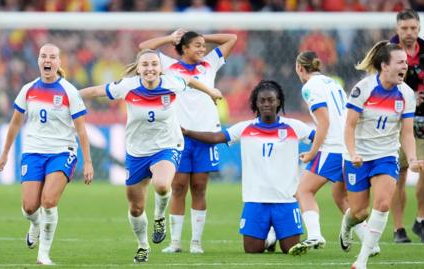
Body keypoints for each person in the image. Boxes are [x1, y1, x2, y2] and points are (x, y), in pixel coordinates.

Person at [79, 49, 222, 263]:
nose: (150, 68)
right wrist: (69, 95)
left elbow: (191, 81)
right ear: (138, 69)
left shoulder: (172, 82)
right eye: (145, 65)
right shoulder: (127, 86)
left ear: (160, 68)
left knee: (163, 185)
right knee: (136, 208)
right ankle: (143, 246)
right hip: (137, 151)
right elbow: (97, 91)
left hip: (167, 145)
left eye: (154, 64)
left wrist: (211, 92)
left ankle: (159, 217)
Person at [182, 80, 313, 254]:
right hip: (255, 200)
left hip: (286, 201)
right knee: (252, 250)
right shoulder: (245, 128)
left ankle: (273, 232)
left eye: (271, 100)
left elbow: (319, 139)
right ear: (256, 103)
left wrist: (313, 156)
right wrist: (188, 132)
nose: (267, 104)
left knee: (290, 250)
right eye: (262, 101)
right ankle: (270, 237)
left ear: (278, 101)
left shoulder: (294, 126)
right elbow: (215, 138)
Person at [139, 29, 237, 253]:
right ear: (184, 48)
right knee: (179, 187)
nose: (203, 49)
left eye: (203, 46)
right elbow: (144, 47)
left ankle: (196, 242)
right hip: (178, 136)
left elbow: (232, 39)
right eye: (197, 46)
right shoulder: (168, 65)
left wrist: (203, 36)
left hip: (205, 135)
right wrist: (169, 38)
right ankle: (175, 243)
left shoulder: (209, 63)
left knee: (200, 188)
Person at [0, 43, 94, 265]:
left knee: (48, 201)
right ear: (38, 61)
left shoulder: (69, 91)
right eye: (43, 56)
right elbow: (14, 124)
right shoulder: (28, 90)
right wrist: (4, 154)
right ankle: (35, 224)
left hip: (62, 152)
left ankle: (43, 254)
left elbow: (81, 130)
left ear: (59, 62)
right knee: (30, 207)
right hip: (33, 152)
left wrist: (87, 162)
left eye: (52, 57)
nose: (47, 60)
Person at [339, 40, 423, 269]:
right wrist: (353, 153)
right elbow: (349, 127)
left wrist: (413, 159)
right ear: (384, 66)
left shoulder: (406, 94)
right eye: (400, 62)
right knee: (359, 212)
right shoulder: (363, 89)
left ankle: (361, 261)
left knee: (383, 204)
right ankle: (347, 225)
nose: (405, 67)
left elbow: (407, 133)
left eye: (406, 62)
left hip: (386, 156)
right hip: (358, 157)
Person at [288, 51, 379, 256]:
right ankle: (370, 243)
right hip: (348, 145)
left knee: (303, 191)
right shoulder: (332, 82)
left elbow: (324, 122)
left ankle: (314, 235)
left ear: (299, 68)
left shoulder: (309, 87)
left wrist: (312, 152)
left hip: (333, 147)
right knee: (340, 196)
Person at [389, 9, 424, 243]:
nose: (409, 33)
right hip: (396, 121)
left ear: (419, 28)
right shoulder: (386, 52)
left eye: (413, 28)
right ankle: (399, 229)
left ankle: (421, 219)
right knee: (399, 174)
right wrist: (409, 97)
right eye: (404, 28)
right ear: (397, 29)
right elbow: (380, 83)